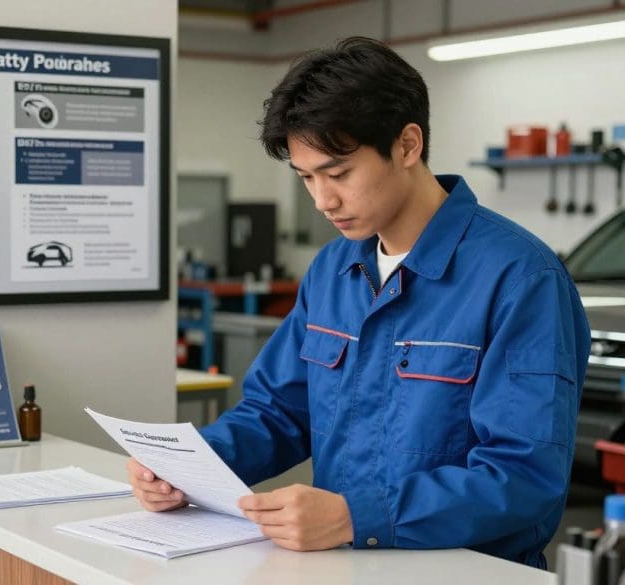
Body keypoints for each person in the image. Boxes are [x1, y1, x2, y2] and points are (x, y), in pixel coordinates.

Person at [128, 36, 590, 568]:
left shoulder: (519, 280)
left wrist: (355, 517)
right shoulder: (333, 270)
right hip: (345, 567)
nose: (323, 200)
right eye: (307, 178)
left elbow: (524, 477)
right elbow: (278, 412)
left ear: (407, 145)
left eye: (338, 173)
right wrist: (187, 467)